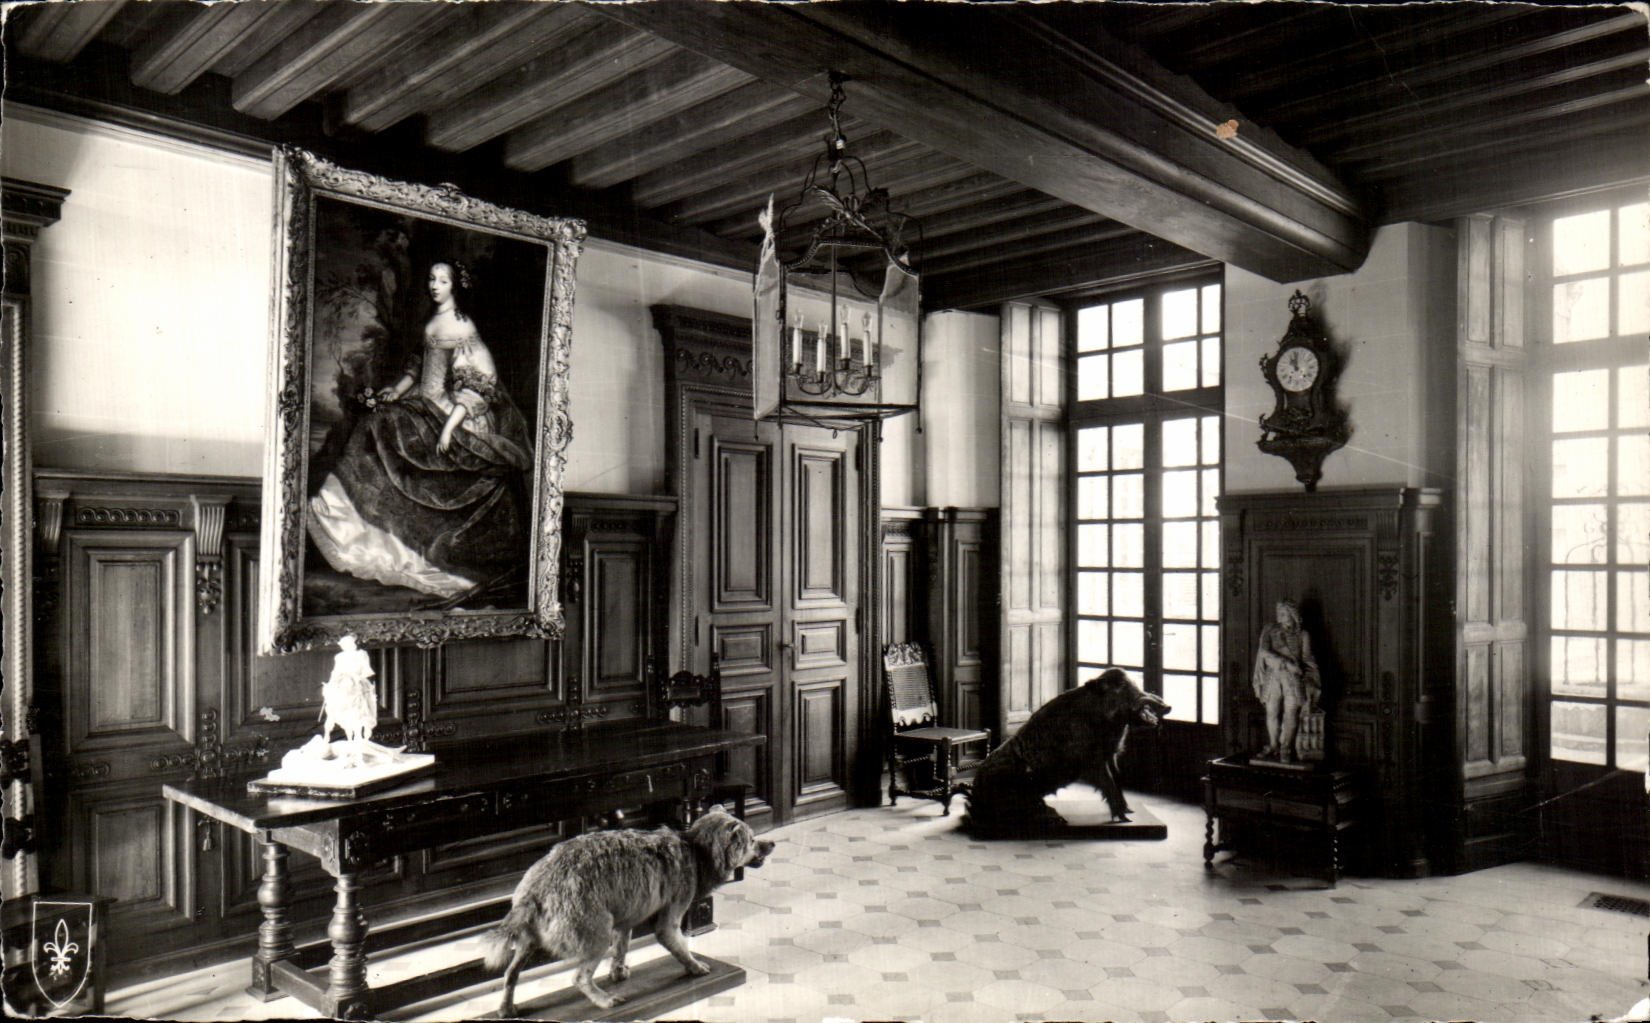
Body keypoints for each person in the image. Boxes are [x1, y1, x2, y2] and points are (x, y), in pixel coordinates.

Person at [307, 260, 532, 600]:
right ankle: (347, 520)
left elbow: (477, 387)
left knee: (386, 428)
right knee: (377, 423)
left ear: (456, 287)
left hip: (449, 411)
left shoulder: (462, 326)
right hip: (421, 401)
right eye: (431, 278)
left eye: (443, 280)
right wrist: (396, 390)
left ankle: (399, 546)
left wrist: (448, 429)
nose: (434, 285)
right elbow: (418, 363)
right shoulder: (435, 321)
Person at [1252, 599, 1321, 762]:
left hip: (1293, 679)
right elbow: (1264, 652)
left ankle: (1285, 748)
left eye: (1282, 613)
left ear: (1291, 614)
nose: (1279, 615)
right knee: (1272, 711)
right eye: (1278, 612)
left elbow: (1307, 659)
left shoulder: (1303, 635)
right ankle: (1274, 745)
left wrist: (1312, 679)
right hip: (1273, 676)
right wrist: (1286, 664)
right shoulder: (1269, 629)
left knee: (1291, 713)